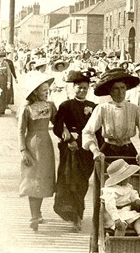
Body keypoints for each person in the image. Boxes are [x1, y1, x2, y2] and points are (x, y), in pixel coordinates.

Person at [82, 68, 140, 252]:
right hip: (107, 151)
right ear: (109, 91)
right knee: (105, 196)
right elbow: (88, 131)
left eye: (123, 88)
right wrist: (95, 149)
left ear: (127, 89)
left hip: (129, 152)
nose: (120, 93)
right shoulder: (102, 109)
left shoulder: (135, 109)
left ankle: (134, 236)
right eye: (115, 89)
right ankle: (99, 240)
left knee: (132, 192)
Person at [53, 69, 100, 232]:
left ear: (88, 89)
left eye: (85, 88)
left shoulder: (93, 107)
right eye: (79, 87)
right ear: (73, 88)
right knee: (69, 181)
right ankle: (74, 216)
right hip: (70, 149)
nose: (81, 90)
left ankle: (78, 213)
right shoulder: (65, 106)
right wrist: (68, 138)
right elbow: (58, 126)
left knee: (81, 182)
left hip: (86, 149)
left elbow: (98, 129)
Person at [18, 72, 57, 231]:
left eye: (48, 90)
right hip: (31, 145)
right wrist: (23, 150)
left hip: (46, 145)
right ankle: (34, 215)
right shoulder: (26, 108)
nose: (47, 92)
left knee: (43, 180)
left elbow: (58, 123)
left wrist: (67, 133)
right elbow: (21, 130)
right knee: (33, 179)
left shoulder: (51, 106)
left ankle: (38, 213)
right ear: (34, 92)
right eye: (43, 90)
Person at [101, 159, 140, 237]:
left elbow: (133, 193)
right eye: (127, 176)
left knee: (137, 219)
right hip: (114, 214)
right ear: (120, 179)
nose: (130, 178)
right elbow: (110, 206)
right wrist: (116, 218)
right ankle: (117, 241)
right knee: (121, 226)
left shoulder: (128, 186)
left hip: (125, 211)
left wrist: (137, 199)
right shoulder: (111, 191)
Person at [0, 51, 12, 116]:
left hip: (4, 81)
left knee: (3, 95)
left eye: (1, 58)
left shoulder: (6, 64)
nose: (0, 59)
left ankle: (2, 110)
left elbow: (9, 73)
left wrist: (8, 83)